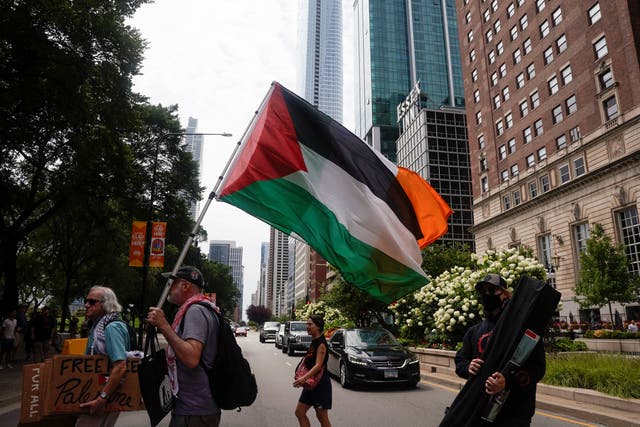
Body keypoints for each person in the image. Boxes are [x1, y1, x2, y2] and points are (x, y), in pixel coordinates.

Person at [454, 274, 545, 427]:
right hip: (480, 411)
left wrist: (507, 382)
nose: (487, 295)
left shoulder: (523, 330)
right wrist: (468, 367)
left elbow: (537, 368)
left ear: (506, 294)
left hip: (515, 414)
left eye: (492, 290)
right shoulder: (474, 332)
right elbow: (460, 361)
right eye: (483, 292)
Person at [147, 266, 221, 427]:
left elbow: (191, 358)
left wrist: (164, 326)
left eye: (172, 283)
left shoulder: (195, 311)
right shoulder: (204, 308)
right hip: (196, 409)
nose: (168, 288)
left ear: (185, 286)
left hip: (194, 412)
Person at [76, 286, 131, 427]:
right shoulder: (98, 325)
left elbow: (120, 366)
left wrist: (101, 399)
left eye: (92, 302)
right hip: (95, 391)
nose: (86, 305)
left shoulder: (112, 328)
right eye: (86, 301)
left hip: (104, 396)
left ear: (106, 304)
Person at [293, 314, 332, 427]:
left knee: (321, 416)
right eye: (307, 324)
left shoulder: (321, 344)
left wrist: (303, 378)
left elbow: (318, 365)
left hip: (320, 385)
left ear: (318, 326)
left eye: (310, 324)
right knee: (299, 412)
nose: (307, 326)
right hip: (310, 384)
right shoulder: (314, 342)